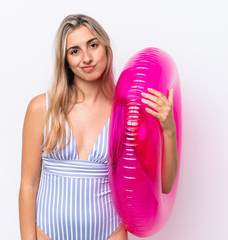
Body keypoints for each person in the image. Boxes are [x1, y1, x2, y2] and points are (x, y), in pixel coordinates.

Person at [19, 14, 178, 240]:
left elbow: (164, 185)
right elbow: (28, 184)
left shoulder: (125, 113)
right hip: (48, 231)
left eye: (92, 45)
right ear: (65, 60)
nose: (86, 58)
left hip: (109, 232)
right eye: (74, 51)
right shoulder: (42, 108)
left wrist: (168, 130)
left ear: (105, 48)